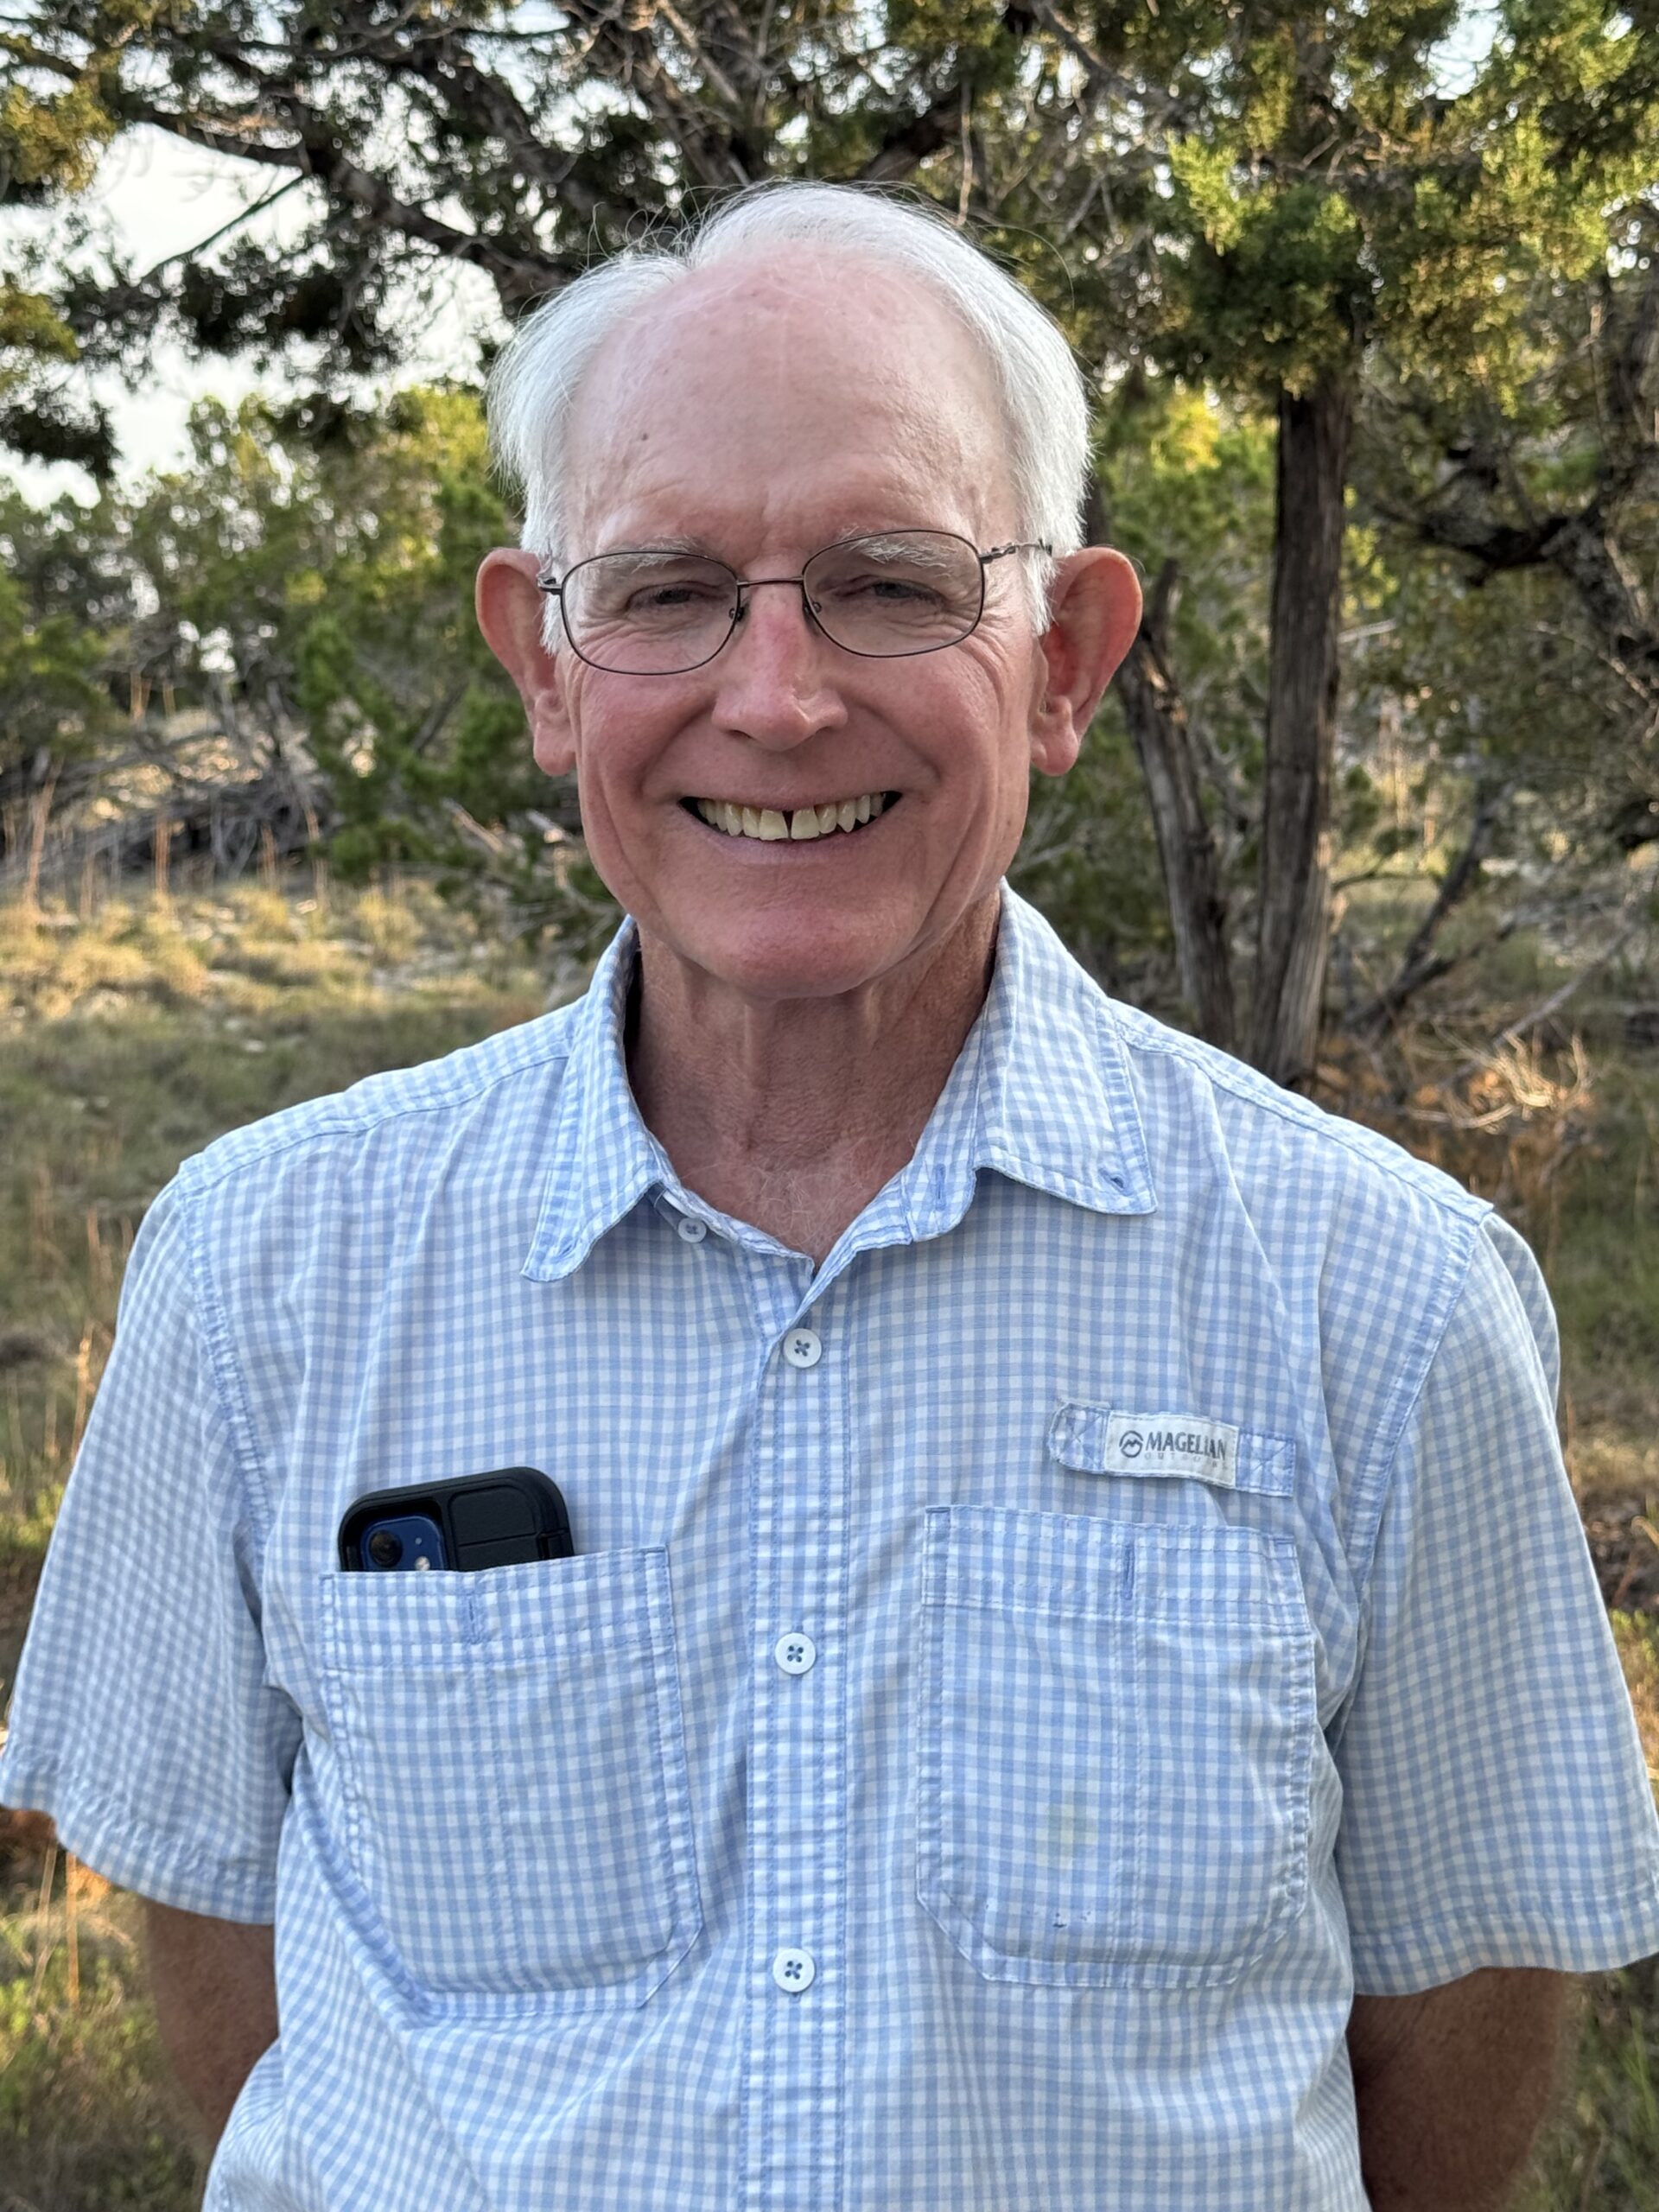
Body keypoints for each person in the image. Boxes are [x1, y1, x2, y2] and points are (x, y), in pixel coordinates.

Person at [3, 180, 1658, 2212]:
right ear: (545, 662)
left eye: (889, 582)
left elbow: (1458, 1999)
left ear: (1064, 659)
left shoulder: (1382, 1300)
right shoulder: (263, 1270)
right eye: (669, 589)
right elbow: (228, 1941)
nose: (778, 696)